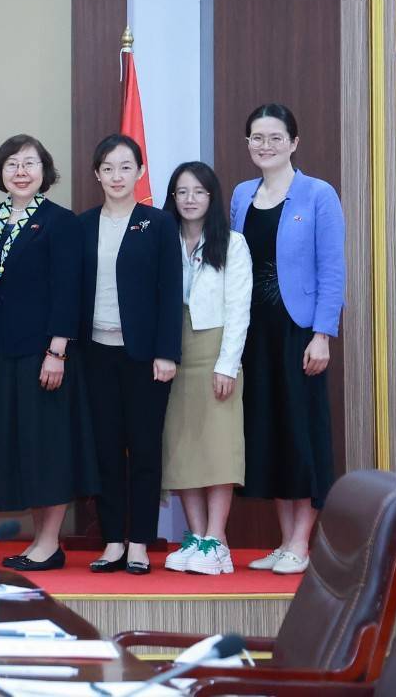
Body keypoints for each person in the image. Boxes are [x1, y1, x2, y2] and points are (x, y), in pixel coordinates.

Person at [231, 103, 345, 575]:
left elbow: (332, 269)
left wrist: (323, 334)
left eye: (275, 137)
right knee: (270, 432)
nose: (266, 145)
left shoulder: (318, 194)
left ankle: (302, 541)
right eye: (257, 138)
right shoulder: (241, 195)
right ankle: (284, 542)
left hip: (298, 331)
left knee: (302, 433)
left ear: (294, 143)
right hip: (253, 333)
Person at [0, 134, 94, 573]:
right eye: (12, 164)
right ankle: (41, 541)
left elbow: (68, 289)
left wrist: (57, 350)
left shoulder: (61, 222)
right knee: (23, 447)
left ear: (45, 171)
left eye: (29, 163)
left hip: (44, 353)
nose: (20, 172)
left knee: (49, 447)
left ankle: (48, 542)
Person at [79, 133, 181, 575]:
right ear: (97, 174)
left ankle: (139, 541)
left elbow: (170, 292)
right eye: (108, 168)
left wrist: (167, 352)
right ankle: (112, 542)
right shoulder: (83, 225)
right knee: (105, 450)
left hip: (144, 357)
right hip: (95, 353)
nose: (117, 176)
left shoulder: (158, 224)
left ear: (140, 171)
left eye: (125, 167)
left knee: (143, 449)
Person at [161, 161, 252, 576]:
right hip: (173, 350)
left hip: (215, 349)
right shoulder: (164, 239)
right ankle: (197, 537)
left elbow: (239, 310)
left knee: (217, 446)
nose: (190, 199)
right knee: (182, 447)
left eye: (198, 191)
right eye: (182, 192)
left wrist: (227, 365)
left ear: (212, 197)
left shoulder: (232, 243)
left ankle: (217, 540)